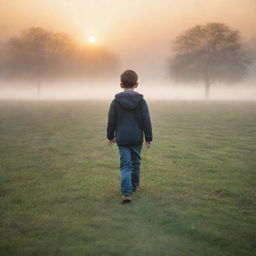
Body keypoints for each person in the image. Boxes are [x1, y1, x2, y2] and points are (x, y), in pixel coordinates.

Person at [107, 70, 153, 204]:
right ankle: (135, 186)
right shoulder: (141, 101)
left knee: (125, 165)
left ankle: (126, 194)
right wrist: (148, 138)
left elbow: (111, 120)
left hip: (122, 138)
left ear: (121, 84)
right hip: (137, 137)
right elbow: (146, 120)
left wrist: (110, 136)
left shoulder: (115, 102)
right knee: (136, 163)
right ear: (136, 84)